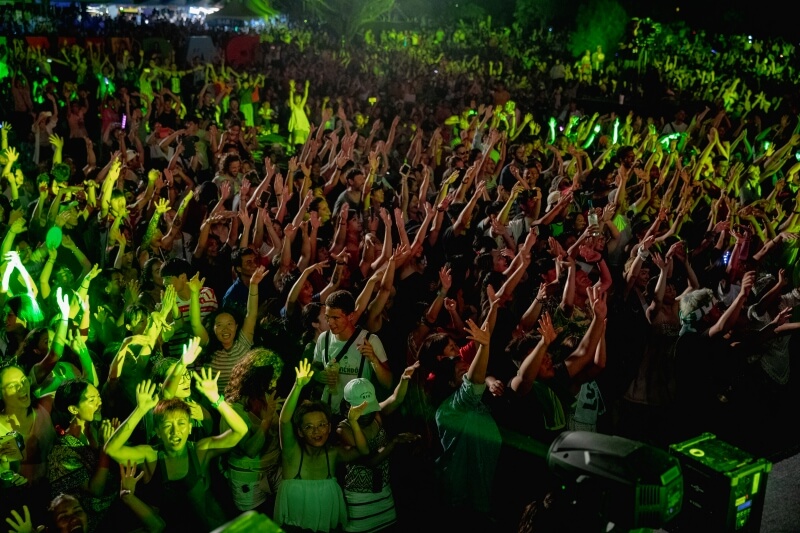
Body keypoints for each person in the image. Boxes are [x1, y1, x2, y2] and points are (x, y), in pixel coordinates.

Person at [103, 368, 248, 533]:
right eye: (167, 426)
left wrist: (216, 399)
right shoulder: (150, 456)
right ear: (157, 431)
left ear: (190, 428)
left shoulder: (201, 451)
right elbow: (111, 449)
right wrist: (140, 410)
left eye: (181, 423)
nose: (175, 431)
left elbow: (240, 431)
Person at [274, 359, 370, 533]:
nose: (317, 431)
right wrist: (297, 386)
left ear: (329, 427)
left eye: (322, 425)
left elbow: (363, 451)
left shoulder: (333, 454)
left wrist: (354, 422)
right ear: (300, 432)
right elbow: (284, 420)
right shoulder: (292, 453)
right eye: (309, 427)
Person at [337, 368, 421, 533]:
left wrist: (403, 380)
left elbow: (395, 399)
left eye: (371, 408)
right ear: (348, 405)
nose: (368, 414)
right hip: (360, 497)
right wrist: (393, 442)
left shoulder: (376, 415)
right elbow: (369, 460)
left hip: (384, 491)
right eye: (363, 410)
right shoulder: (344, 430)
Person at [221, 347, 285, 514]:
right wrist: (266, 422)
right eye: (273, 377)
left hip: (272, 473)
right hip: (248, 480)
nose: (275, 382)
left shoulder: (265, 397)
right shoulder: (235, 409)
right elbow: (250, 449)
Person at [48, 378, 117, 532]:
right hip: (90, 523)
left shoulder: (97, 427)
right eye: (92, 400)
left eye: (98, 396)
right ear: (73, 409)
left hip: (115, 504)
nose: (99, 402)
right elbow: (96, 490)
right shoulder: (63, 451)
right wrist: (106, 449)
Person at [312, 290, 392, 418]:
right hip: (328, 415)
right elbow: (314, 366)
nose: (330, 322)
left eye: (335, 318)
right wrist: (318, 375)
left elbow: (388, 383)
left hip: (358, 416)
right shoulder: (324, 338)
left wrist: (373, 359)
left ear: (351, 316)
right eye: (327, 317)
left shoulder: (370, 340)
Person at [191, 266, 266, 391]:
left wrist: (253, 285)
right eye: (219, 325)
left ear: (236, 326)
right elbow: (195, 324)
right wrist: (194, 293)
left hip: (241, 406)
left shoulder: (243, 342)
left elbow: (251, 313)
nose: (225, 329)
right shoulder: (208, 346)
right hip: (216, 405)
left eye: (229, 324)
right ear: (213, 329)